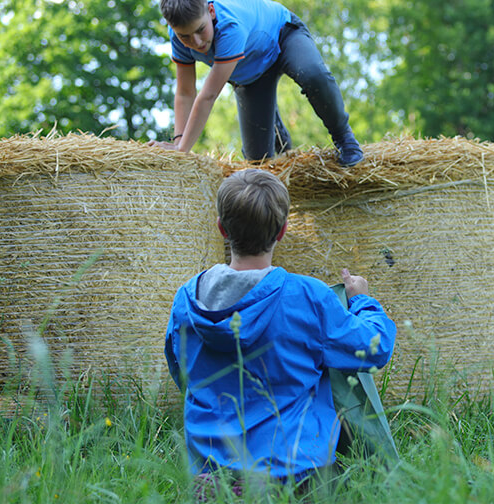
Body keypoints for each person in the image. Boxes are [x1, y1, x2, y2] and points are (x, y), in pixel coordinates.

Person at [164, 168, 395, 494]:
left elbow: (182, 373)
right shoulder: (307, 296)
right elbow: (375, 347)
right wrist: (362, 301)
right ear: (283, 231)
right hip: (295, 479)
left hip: (211, 480)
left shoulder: (186, 300)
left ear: (221, 229)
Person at [152, 0, 364, 166]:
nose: (196, 42)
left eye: (200, 30)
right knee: (258, 162)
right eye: (185, 36)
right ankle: (274, 126)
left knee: (313, 75)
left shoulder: (230, 27)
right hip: (250, 74)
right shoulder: (178, 36)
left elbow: (207, 96)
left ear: (211, 12)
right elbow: (185, 93)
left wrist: (181, 151)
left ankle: (345, 139)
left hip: (282, 37)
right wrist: (177, 142)